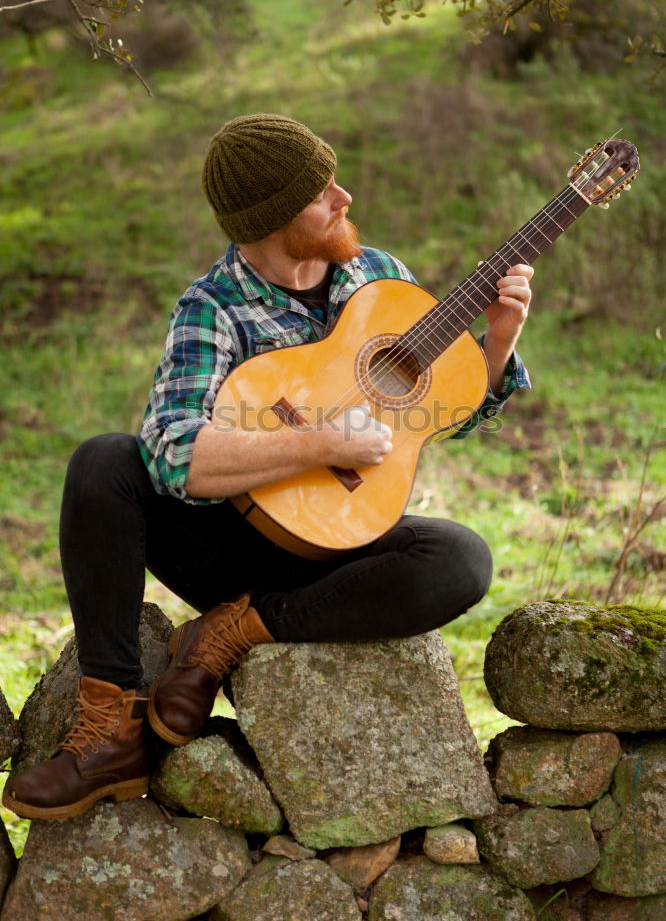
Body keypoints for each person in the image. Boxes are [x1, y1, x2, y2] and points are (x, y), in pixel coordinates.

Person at [3, 113, 532, 821]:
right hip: (227, 539)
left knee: (461, 559)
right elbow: (172, 451)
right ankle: (110, 729)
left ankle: (237, 629)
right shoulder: (212, 307)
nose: (344, 197)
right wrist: (320, 445)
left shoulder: (381, 278)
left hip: (340, 547)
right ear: (275, 219)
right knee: (104, 461)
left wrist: (495, 346)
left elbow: (439, 415)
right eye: (322, 193)